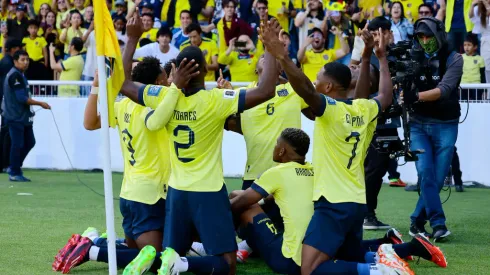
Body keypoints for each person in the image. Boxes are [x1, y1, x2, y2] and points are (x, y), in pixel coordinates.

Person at [119, 15, 279, 275]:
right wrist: (271, 49)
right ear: (205, 70)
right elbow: (265, 91)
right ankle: (183, 264)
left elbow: (123, 83)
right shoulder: (216, 100)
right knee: (227, 265)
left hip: (177, 192)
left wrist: (133, 37)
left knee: (169, 253)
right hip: (208, 191)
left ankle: (169, 260)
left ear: (175, 72)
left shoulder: (162, 95)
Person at [259, 16, 395, 275]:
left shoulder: (329, 109)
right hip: (356, 203)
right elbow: (385, 95)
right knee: (344, 258)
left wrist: (282, 57)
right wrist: (377, 56)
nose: (314, 82)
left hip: (333, 203)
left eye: (318, 78)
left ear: (329, 87)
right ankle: (381, 262)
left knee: (308, 268)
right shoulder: (363, 109)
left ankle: (378, 271)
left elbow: (304, 90)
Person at [230, 128, 448, 274]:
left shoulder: (276, 173)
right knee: (347, 251)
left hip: (289, 258)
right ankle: (397, 250)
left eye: (277, 144)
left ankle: (234, 247)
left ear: (281, 149)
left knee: (246, 207)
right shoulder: (315, 170)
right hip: (324, 237)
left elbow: (242, 204)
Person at [52, 56, 181, 274]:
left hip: (129, 193)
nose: (167, 82)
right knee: (158, 258)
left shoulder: (124, 106)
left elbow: (89, 122)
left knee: (143, 250)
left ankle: (97, 240)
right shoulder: (158, 107)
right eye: (164, 79)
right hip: (149, 195)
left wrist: (95, 87)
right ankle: (92, 250)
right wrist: (176, 84)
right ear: (157, 84)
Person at [404, 17, 463, 241]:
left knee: (437, 178)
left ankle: (417, 221)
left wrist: (415, 96)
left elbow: (444, 89)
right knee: (425, 173)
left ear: (439, 35)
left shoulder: (454, 58)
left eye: (429, 36)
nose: (425, 40)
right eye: (421, 36)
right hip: (417, 124)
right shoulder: (411, 56)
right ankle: (438, 223)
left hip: (446, 124)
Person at [1, 50, 51, 182]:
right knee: (17, 144)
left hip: (23, 116)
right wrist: (40, 103)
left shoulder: (21, 75)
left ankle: (14, 166)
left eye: (27, 59)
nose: (26, 62)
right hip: (15, 116)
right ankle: (14, 170)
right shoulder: (15, 76)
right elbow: (22, 98)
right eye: (23, 60)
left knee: (29, 142)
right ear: (15, 61)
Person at [0, 38, 23, 173]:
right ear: (13, 49)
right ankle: (5, 163)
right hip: (7, 103)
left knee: (5, 132)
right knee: (7, 134)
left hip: (4, 102)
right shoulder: (9, 65)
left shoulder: (5, 61)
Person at [461, 33, 486, 100]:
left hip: (476, 86)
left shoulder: (480, 59)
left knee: (477, 106)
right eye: (465, 45)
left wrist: (485, 90)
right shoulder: (460, 57)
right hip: (463, 86)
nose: (466, 47)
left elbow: (483, 75)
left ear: (475, 47)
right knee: (463, 106)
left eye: (469, 45)